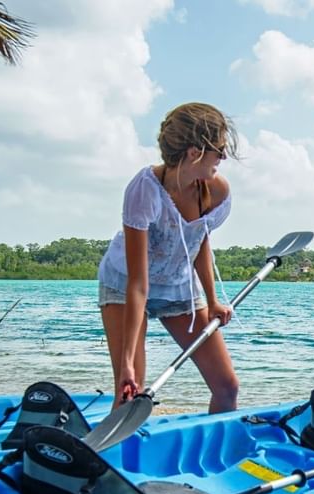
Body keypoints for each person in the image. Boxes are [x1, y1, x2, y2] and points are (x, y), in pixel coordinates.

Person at [97, 102, 240, 412]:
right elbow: (138, 283)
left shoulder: (215, 191)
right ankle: (113, 455)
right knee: (129, 395)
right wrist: (125, 365)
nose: (223, 158)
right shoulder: (145, 190)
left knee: (227, 387)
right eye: (219, 150)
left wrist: (213, 300)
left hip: (177, 286)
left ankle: (217, 457)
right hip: (126, 284)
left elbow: (198, 242)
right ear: (194, 153)